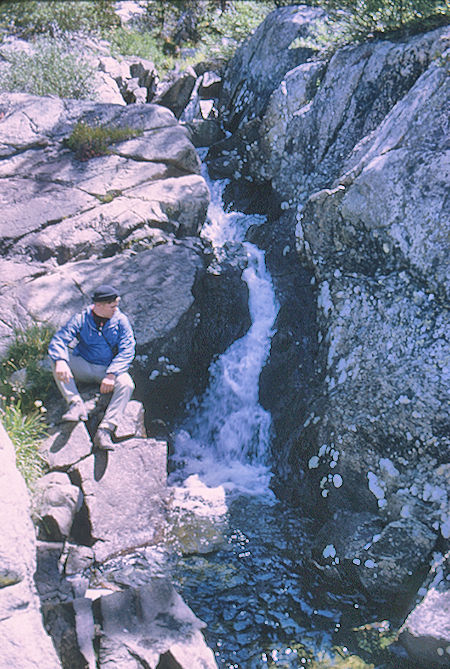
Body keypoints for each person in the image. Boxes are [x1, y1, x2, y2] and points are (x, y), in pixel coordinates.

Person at [48, 284, 135, 450]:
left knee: (127, 384)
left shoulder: (121, 321)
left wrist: (112, 374)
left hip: (107, 370)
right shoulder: (81, 318)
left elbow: (128, 350)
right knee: (56, 360)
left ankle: (105, 430)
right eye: (112, 306)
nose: (116, 309)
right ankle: (75, 403)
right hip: (84, 365)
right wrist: (60, 360)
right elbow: (59, 339)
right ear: (99, 305)